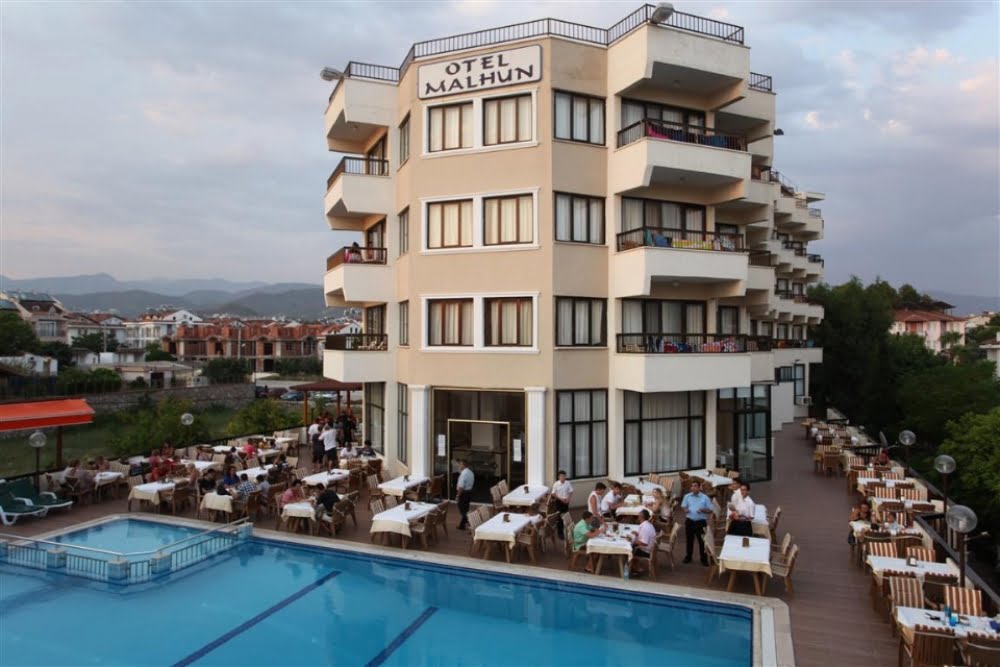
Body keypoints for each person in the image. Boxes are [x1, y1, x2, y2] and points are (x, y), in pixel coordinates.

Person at [680, 480, 714, 565]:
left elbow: (710, 510)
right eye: (692, 486)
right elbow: (683, 506)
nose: (693, 488)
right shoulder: (687, 496)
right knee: (689, 540)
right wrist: (685, 509)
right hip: (690, 521)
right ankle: (688, 557)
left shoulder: (705, 498)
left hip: (701, 522)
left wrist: (703, 510)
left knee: (702, 541)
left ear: (699, 487)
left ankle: (703, 559)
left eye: (695, 486)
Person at [630, 509, 657, 576]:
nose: (637, 516)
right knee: (632, 545)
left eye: (638, 515)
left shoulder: (645, 527)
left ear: (641, 517)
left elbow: (644, 543)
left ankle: (634, 569)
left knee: (629, 549)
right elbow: (644, 536)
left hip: (646, 551)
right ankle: (635, 566)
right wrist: (637, 534)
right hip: (650, 548)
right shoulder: (648, 524)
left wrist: (633, 541)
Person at [551, 470, 574, 539]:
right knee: (559, 517)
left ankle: (568, 532)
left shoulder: (568, 483)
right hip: (559, 502)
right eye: (561, 476)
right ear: (559, 477)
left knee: (566, 516)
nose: (563, 477)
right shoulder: (556, 484)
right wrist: (560, 499)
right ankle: (560, 533)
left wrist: (568, 499)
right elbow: (553, 493)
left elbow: (571, 492)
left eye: (564, 476)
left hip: (566, 501)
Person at [455, 459, 475, 530]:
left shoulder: (464, 474)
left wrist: (458, 496)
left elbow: (461, 487)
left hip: (463, 493)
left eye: (460, 464)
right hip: (469, 493)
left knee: (462, 510)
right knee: (465, 509)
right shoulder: (471, 472)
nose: (459, 466)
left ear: (463, 465)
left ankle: (470, 523)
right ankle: (462, 525)